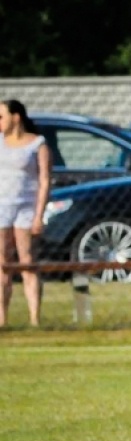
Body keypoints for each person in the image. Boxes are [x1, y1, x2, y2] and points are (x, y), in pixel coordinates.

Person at [0, 100, 50, 328]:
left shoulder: (37, 144)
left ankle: (35, 320)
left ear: (16, 117)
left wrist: (39, 215)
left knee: (27, 262)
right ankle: (2, 319)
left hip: (26, 208)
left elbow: (44, 180)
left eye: (2, 116)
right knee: (3, 263)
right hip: (2, 207)